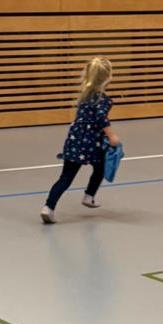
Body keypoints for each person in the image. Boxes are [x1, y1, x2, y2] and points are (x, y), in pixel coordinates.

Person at [40, 57, 118, 224]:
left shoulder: (84, 97)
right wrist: (111, 135)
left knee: (66, 177)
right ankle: (89, 195)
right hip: (91, 144)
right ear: (108, 78)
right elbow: (101, 118)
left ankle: (48, 207)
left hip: (75, 141)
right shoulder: (103, 100)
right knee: (100, 168)